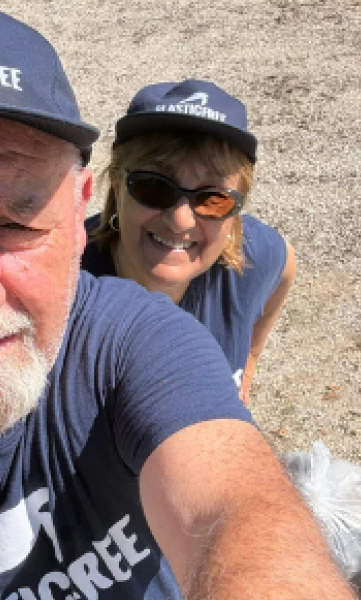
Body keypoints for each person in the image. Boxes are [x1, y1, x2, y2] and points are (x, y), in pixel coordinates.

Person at [0, 0, 361, 600]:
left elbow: (252, 524)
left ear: (74, 211)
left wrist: (247, 366)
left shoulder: (139, 331)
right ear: (108, 201)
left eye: (14, 221)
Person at [82, 81, 295, 404]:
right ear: (116, 183)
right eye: (154, 187)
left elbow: (285, 263)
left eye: (213, 199)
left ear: (236, 211)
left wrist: (250, 359)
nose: (180, 219)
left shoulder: (252, 258)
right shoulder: (66, 278)